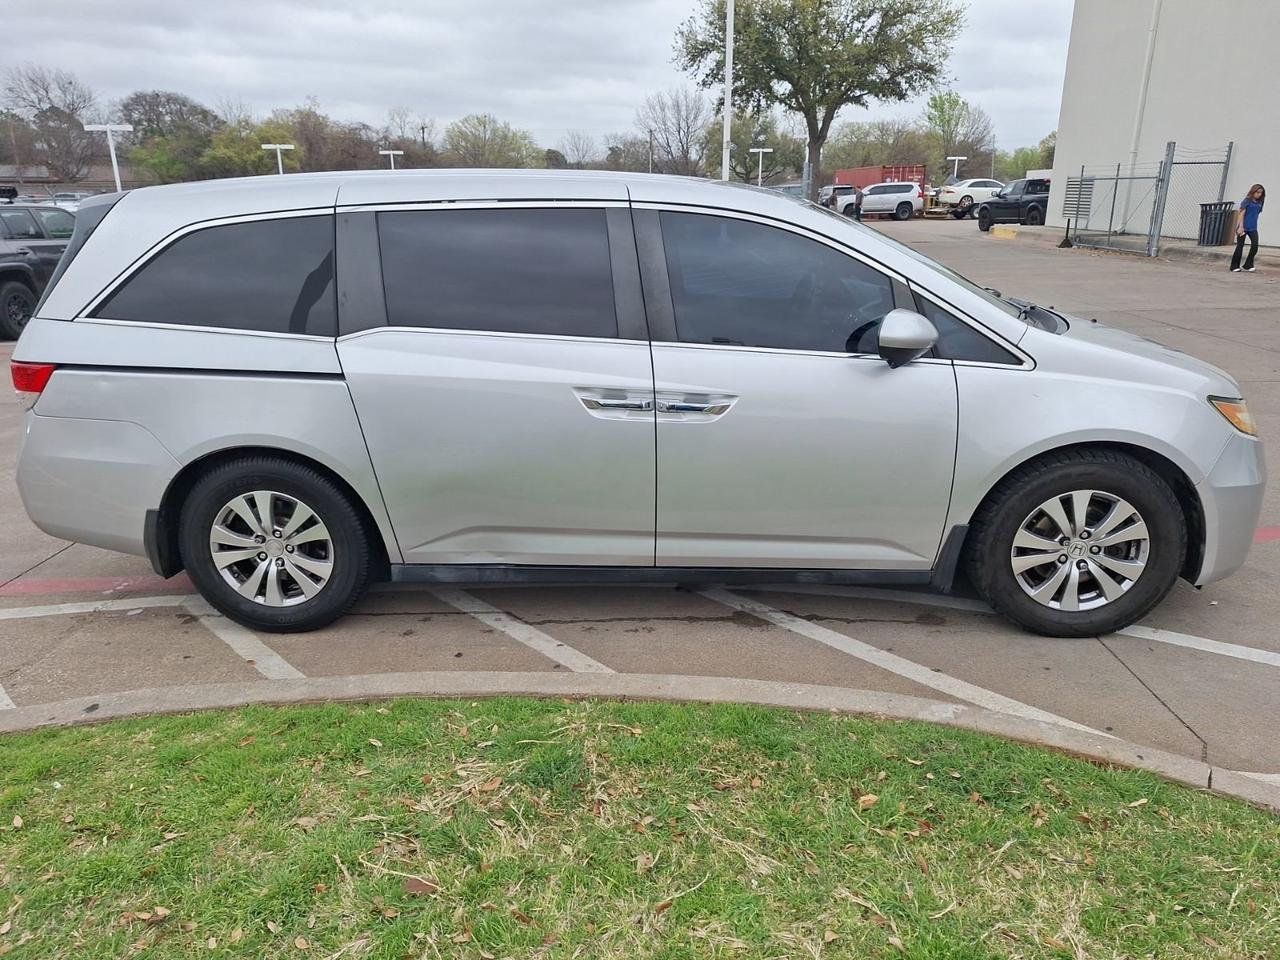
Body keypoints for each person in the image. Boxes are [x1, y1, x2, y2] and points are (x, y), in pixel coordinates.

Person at [1230, 183, 1265, 272]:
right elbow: (1241, 214)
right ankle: (1234, 266)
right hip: (1243, 226)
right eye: (1257, 192)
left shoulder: (1260, 202)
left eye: (1261, 193)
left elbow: (1256, 214)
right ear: (1253, 191)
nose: (1259, 194)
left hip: (1253, 227)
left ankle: (1248, 264)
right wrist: (1240, 227)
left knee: (1255, 245)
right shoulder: (1247, 201)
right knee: (1240, 246)